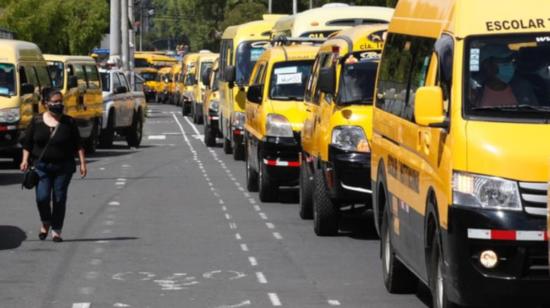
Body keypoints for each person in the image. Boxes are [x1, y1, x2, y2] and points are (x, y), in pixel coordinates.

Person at [20, 89, 87, 242]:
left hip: (64, 167)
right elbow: (27, 144)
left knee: (59, 198)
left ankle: (56, 230)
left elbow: (78, 145)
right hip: (41, 166)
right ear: (45, 104)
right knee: (42, 197)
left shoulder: (69, 122)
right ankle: (45, 221)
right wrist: (24, 160)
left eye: (60, 101)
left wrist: (83, 163)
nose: (59, 104)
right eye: (55, 102)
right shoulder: (36, 121)